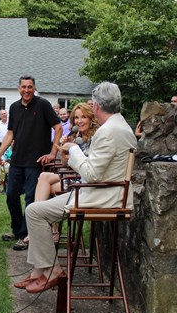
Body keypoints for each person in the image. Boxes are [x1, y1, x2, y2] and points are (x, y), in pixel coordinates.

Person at [15, 82, 136, 294]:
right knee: (37, 208)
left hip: (100, 197)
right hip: (105, 192)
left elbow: (92, 174)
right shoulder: (123, 127)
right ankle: (37, 272)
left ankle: (53, 273)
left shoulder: (108, 132)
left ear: (96, 106)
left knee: (34, 211)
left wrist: (75, 150)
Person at [0, 75, 62, 251]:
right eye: (23, 87)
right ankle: (17, 229)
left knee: (31, 199)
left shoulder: (43, 105)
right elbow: (10, 134)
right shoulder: (14, 108)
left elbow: (58, 127)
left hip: (36, 161)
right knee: (11, 196)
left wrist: (53, 152)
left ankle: (26, 234)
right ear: (19, 88)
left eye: (30, 87)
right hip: (17, 160)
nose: (26, 90)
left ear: (34, 88)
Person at [32, 102, 99, 241]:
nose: (79, 121)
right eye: (76, 118)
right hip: (73, 175)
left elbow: (87, 165)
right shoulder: (76, 136)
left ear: (91, 118)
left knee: (45, 184)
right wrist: (63, 150)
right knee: (44, 176)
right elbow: (66, 164)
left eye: (83, 117)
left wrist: (73, 149)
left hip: (83, 180)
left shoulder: (96, 138)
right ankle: (47, 228)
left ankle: (43, 228)